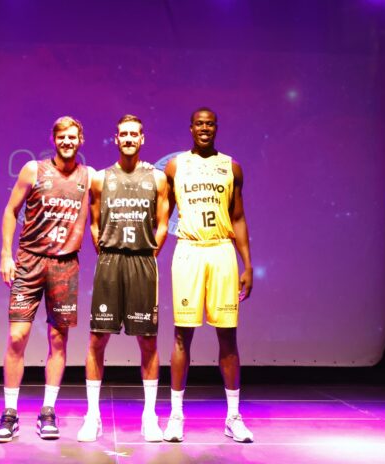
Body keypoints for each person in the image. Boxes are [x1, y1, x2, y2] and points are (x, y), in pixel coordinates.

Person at [0, 116, 93, 443]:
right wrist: (6, 254)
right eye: (62, 136)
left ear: (80, 140)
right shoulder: (33, 170)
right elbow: (10, 210)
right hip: (30, 262)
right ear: (54, 139)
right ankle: (9, 413)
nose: (67, 141)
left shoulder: (89, 177)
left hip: (65, 266)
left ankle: (48, 411)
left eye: (72, 137)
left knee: (58, 341)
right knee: (17, 337)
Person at [163, 108, 254, 443]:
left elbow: (238, 217)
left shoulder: (231, 166)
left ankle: (233, 417)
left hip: (221, 251)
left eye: (210, 123)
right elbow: (163, 215)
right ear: (191, 128)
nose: (204, 128)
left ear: (216, 128)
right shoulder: (176, 166)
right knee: (181, 335)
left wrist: (248, 265)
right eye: (199, 123)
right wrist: (151, 254)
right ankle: (176, 417)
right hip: (188, 250)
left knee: (228, 336)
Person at [76, 115, 169, 442]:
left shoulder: (157, 178)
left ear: (142, 139)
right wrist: (104, 251)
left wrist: (150, 253)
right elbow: (93, 222)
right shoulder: (101, 178)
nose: (129, 139)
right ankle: (92, 416)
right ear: (116, 139)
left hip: (142, 262)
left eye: (134, 134)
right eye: (123, 134)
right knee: (97, 340)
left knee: (148, 341)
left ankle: (149, 417)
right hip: (110, 262)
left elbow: (163, 222)